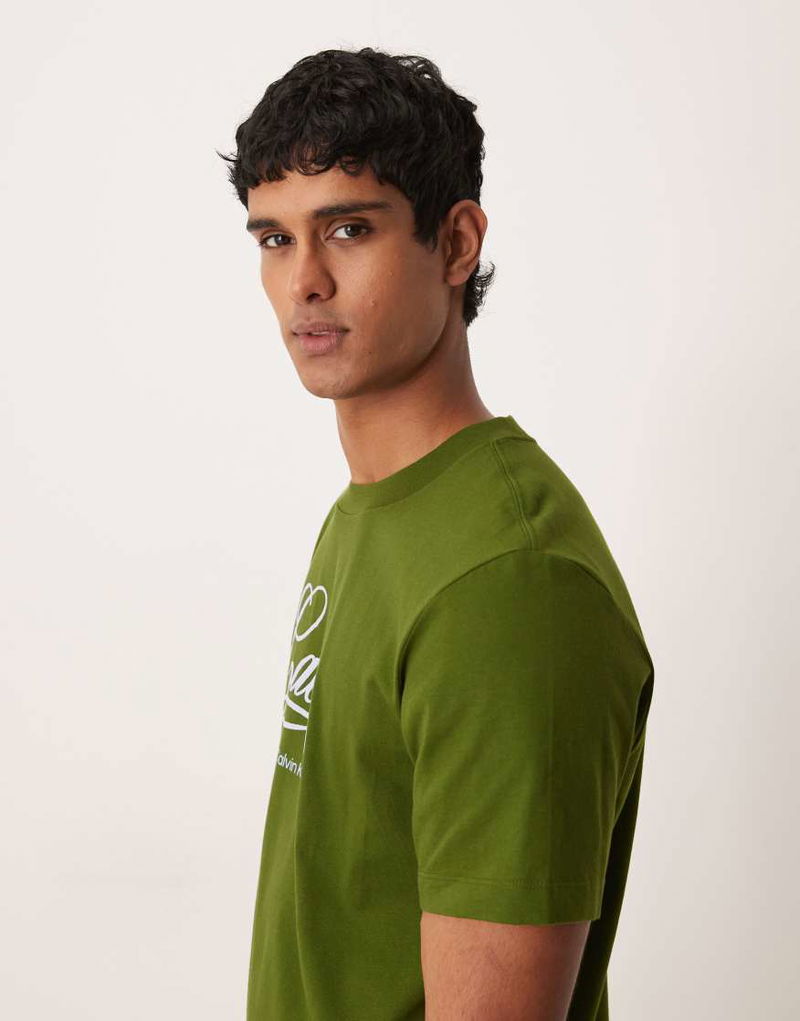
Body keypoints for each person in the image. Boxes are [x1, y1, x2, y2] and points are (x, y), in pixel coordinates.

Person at [219, 46, 655, 1021]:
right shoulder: (370, 511)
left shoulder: (509, 583)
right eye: (275, 239)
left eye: (349, 228)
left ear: (455, 244)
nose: (304, 282)